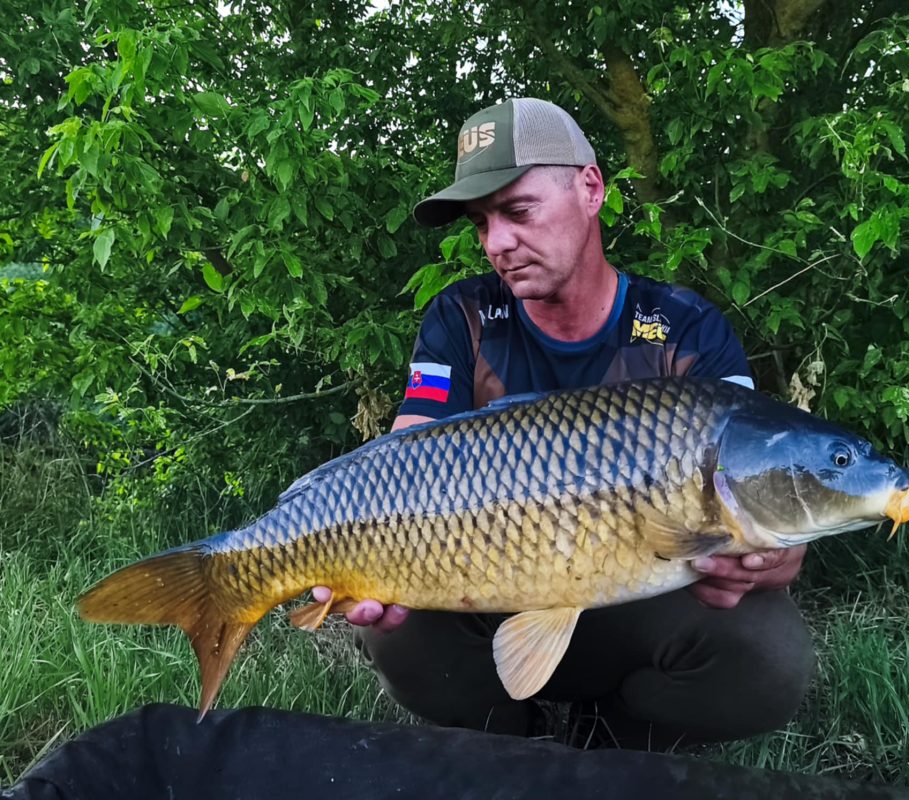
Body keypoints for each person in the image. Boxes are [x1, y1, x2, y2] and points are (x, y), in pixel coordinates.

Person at [316, 97, 811, 749]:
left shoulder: (685, 329)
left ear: (591, 188)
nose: (497, 243)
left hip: (641, 594)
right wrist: (351, 549)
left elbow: (755, 475)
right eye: (482, 223)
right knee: (397, 628)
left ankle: (613, 743)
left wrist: (777, 554)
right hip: (493, 582)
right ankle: (504, 746)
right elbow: (405, 458)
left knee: (768, 654)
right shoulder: (462, 317)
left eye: (518, 212)